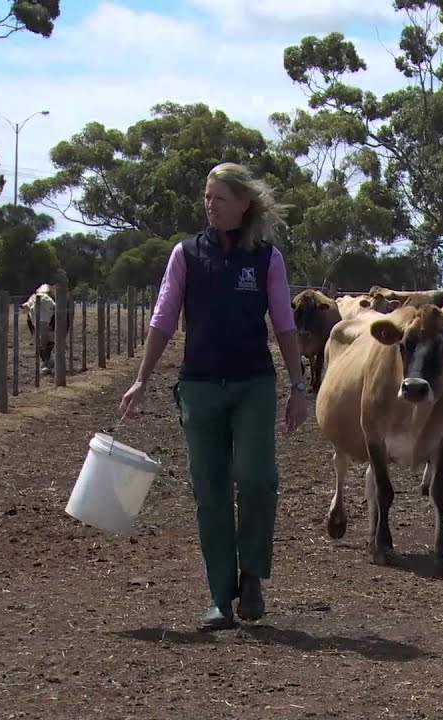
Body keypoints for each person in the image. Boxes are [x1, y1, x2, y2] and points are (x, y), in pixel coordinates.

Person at [119, 161, 310, 631]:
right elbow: (163, 318)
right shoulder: (186, 254)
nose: (210, 205)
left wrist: (297, 385)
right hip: (200, 388)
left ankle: (252, 576)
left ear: (244, 204)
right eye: (207, 197)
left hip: (253, 386)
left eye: (220, 197)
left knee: (258, 479)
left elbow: (284, 324)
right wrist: (142, 378)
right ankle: (221, 598)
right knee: (210, 491)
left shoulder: (267, 259)